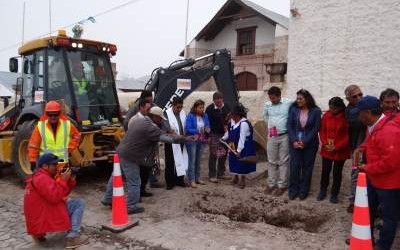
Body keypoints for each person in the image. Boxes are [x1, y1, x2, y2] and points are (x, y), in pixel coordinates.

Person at [102, 106, 191, 213]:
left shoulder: (139, 120)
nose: (161, 121)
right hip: (131, 156)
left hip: (121, 151)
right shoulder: (150, 128)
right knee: (135, 182)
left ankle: (107, 199)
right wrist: (184, 139)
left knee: (116, 176)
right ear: (155, 117)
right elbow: (168, 139)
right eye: (160, 119)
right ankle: (131, 206)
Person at [353, 96, 400, 250]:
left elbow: (391, 162)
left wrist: (367, 168)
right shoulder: (374, 124)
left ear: (367, 113)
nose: (358, 116)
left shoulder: (389, 131)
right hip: (375, 178)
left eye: (359, 113)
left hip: (389, 183)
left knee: (389, 217)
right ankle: (366, 237)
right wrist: (361, 147)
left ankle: (383, 246)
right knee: (368, 210)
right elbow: (371, 141)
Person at [24, 153, 88, 249]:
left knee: (68, 202)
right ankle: (72, 238)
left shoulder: (40, 176)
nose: (57, 167)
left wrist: (69, 181)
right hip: (42, 218)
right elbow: (55, 198)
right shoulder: (42, 178)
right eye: (54, 165)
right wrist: (63, 180)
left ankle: (39, 235)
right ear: (45, 166)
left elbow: (61, 193)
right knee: (79, 203)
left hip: (38, 219)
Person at [123, 90, 164, 189]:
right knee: (141, 165)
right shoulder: (136, 110)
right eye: (148, 101)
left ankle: (151, 181)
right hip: (139, 142)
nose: (150, 104)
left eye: (151, 100)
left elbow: (160, 119)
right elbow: (126, 122)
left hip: (150, 139)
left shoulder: (152, 107)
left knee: (152, 160)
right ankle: (138, 187)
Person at [287, 89, 321, 200]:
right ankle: (293, 190)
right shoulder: (293, 109)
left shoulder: (316, 111)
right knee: (295, 166)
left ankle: (303, 191)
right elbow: (290, 126)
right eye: (297, 98)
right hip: (295, 143)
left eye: (300, 98)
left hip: (310, 144)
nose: (298, 101)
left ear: (307, 99)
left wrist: (305, 141)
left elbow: (316, 128)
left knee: (307, 168)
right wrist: (294, 141)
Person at [317, 97, 350, 203]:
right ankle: (323, 190)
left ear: (340, 108)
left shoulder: (346, 117)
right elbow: (322, 131)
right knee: (325, 171)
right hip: (327, 148)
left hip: (340, 150)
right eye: (330, 108)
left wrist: (337, 147)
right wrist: (325, 144)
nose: (332, 110)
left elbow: (348, 135)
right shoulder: (326, 116)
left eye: (334, 108)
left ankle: (334, 193)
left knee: (337, 172)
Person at [28, 101, 80, 169]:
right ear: (47, 114)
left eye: (55, 114)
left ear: (59, 114)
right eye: (50, 115)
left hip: (62, 163)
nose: (53, 117)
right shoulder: (40, 127)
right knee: (48, 180)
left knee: (62, 180)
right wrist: (32, 161)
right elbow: (33, 145)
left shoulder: (67, 125)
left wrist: (70, 148)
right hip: (47, 164)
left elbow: (77, 136)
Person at [263, 86, 292, 196]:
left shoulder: (288, 103)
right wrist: (271, 126)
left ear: (279, 96)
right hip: (272, 136)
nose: (272, 100)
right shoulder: (267, 105)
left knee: (284, 161)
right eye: (270, 98)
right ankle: (271, 184)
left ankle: (282, 185)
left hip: (285, 135)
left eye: (274, 98)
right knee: (271, 161)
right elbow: (265, 117)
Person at [222, 104, 256, 189]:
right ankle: (235, 177)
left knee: (242, 163)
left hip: (244, 146)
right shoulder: (232, 123)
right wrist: (223, 138)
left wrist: (239, 150)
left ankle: (243, 179)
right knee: (233, 162)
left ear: (237, 115)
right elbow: (228, 133)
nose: (231, 116)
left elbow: (242, 138)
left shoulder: (244, 124)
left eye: (232, 114)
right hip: (233, 145)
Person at [344, 84, 366, 213]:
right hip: (357, 149)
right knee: (356, 173)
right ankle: (353, 201)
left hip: (370, 146)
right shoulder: (350, 111)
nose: (359, 97)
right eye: (355, 96)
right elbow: (361, 123)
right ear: (348, 99)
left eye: (360, 94)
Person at [205, 91, 231, 183]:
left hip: (225, 134)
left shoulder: (227, 107)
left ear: (222, 100)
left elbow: (230, 118)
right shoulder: (209, 109)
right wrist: (209, 136)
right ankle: (212, 175)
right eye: (217, 102)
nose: (219, 104)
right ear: (214, 101)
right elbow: (207, 124)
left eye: (220, 102)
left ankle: (221, 173)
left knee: (224, 153)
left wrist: (228, 125)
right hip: (214, 134)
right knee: (213, 154)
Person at [185, 99, 210, 188]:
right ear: (195, 108)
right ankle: (191, 180)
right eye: (200, 107)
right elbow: (188, 129)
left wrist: (207, 129)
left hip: (201, 140)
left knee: (198, 160)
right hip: (192, 140)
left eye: (203, 107)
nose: (202, 109)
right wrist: (198, 130)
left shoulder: (205, 115)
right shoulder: (190, 116)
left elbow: (207, 125)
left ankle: (197, 178)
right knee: (192, 160)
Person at [165, 97, 188, 190]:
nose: (179, 109)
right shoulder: (166, 113)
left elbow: (185, 125)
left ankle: (179, 180)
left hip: (182, 140)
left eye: (181, 107)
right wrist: (174, 134)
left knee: (181, 160)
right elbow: (166, 127)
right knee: (170, 162)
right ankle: (170, 182)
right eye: (178, 107)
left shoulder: (183, 113)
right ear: (173, 105)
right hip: (171, 141)